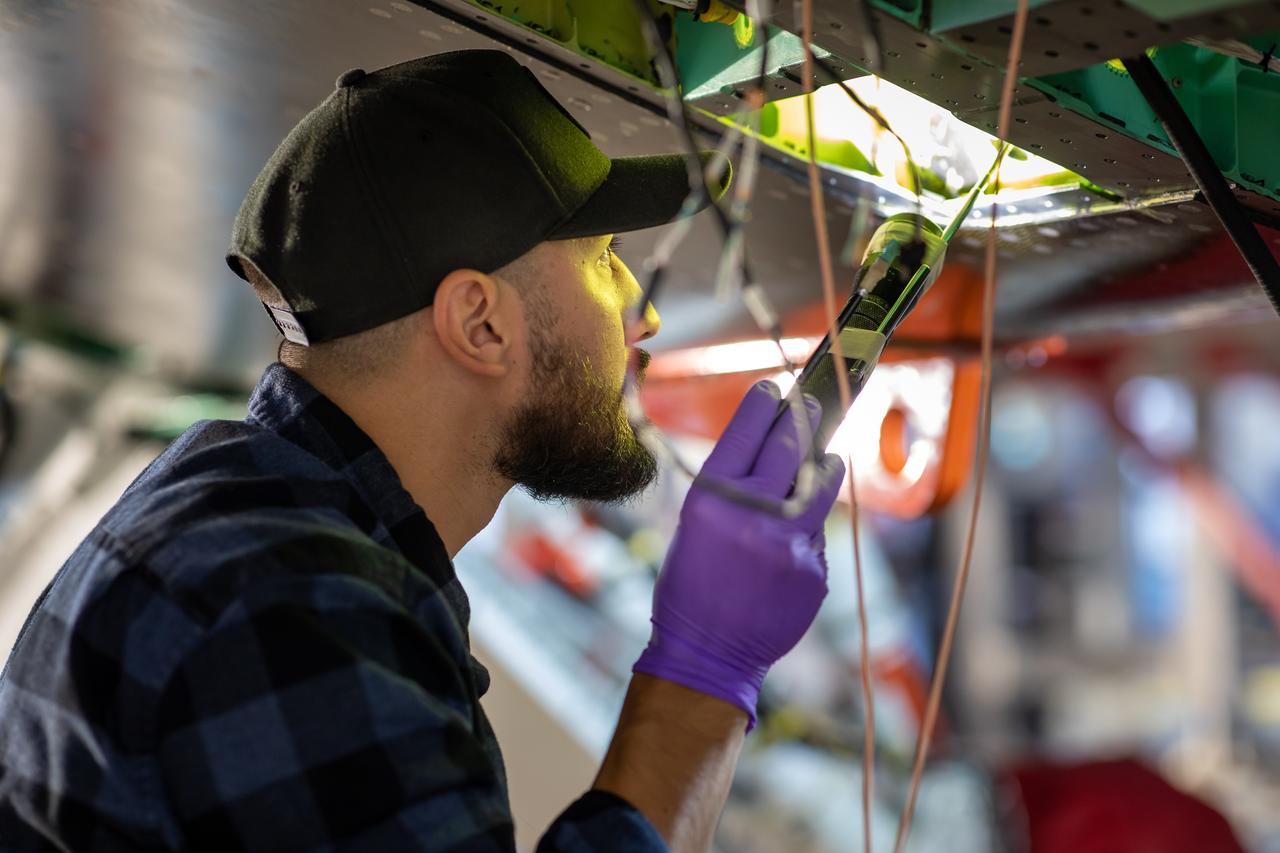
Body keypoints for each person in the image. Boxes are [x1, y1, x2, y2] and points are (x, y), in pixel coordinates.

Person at [0, 50, 844, 851]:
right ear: (480, 323)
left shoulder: (234, 506)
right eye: (602, 259)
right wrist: (703, 668)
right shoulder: (298, 607)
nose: (644, 313)